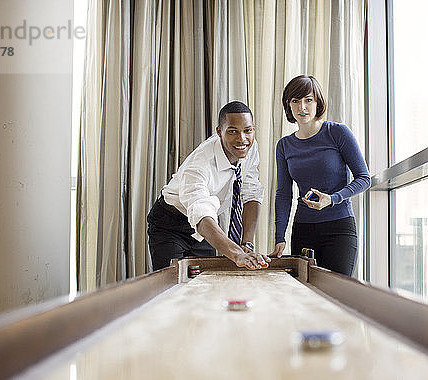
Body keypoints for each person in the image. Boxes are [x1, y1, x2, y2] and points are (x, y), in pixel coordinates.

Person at [147, 101, 270, 271]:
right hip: (171, 224)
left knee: (207, 282)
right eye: (232, 131)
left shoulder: (249, 146)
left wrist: (246, 244)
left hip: (208, 225)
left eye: (248, 130)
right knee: (173, 284)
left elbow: (251, 192)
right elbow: (201, 214)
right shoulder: (200, 164)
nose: (242, 139)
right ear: (219, 132)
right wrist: (237, 254)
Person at [269, 75, 370, 276]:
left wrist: (332, 199)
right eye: (295, 101)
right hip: (303, 229)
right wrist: (280, 236)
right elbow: (283, 194)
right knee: (305, 294)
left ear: (318, 102)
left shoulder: (337, 132)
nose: (302, 107)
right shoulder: (284, 145)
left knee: (337, 295)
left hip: (339, 228)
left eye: (308, 100)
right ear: (288, 106)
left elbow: (364, 178)